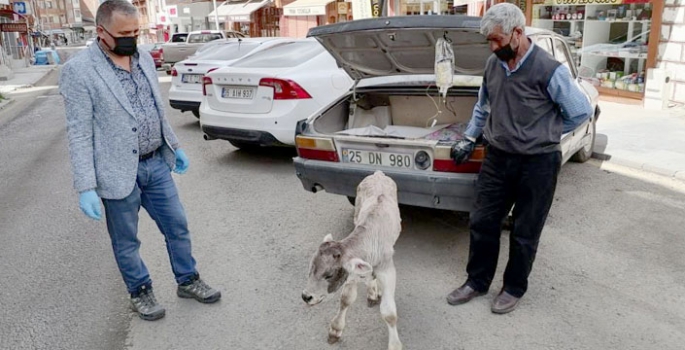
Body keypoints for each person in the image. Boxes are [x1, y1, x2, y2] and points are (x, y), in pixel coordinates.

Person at [59, 0, 221, 321]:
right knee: (127, 241)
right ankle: (140, 291)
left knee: (177, 226)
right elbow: (79, 133)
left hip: (155, 165)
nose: (131, 38)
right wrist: (86, 186)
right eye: (123, 33)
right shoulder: (79, 71)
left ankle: (187, 279)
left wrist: (174, 147)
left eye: (136, 31)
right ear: (101, 31)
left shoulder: (143, 57)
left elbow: (155, 111)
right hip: (117, 172)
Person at [446, 3, 593, 314]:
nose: (492, 46)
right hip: (498, 158)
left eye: (497, 40)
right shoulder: (492, 65)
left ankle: (513, 288)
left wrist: (546, 132)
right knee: (483, 221)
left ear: (517, 33)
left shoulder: (549, 69)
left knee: (525, 231)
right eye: (489, 40)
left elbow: (580, 111)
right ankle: (477, 281)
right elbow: (482, 106)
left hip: (538, 164)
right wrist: (471, 137)